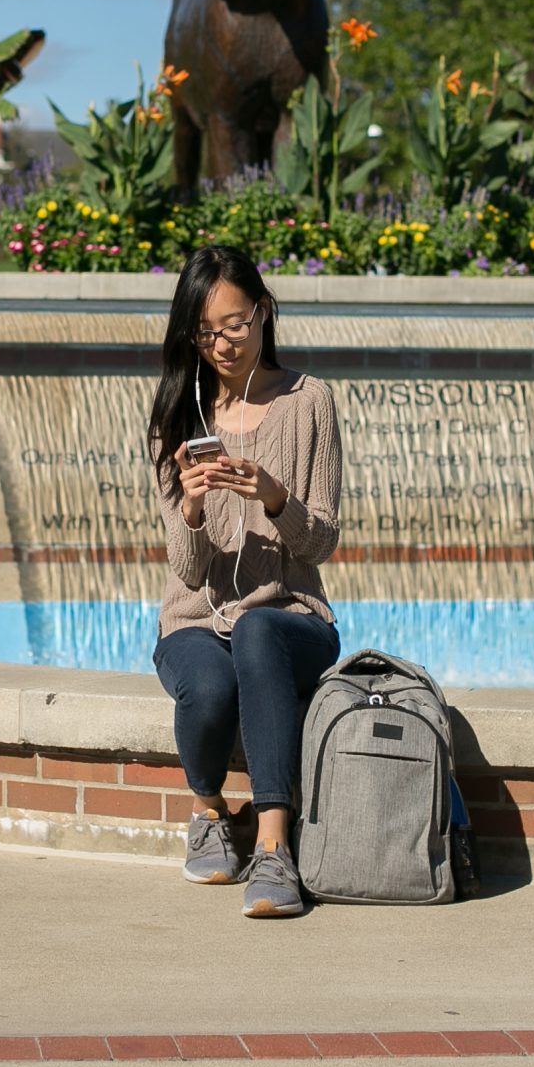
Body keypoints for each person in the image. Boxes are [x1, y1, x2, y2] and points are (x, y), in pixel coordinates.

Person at [150, 245, 344, 920]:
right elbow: (186, 570)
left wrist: (275, 497)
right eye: (205, 332)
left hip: (292, 616)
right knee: (207, 681)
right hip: (198, 619)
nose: (221, 343)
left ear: (263, 311)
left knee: (260, 626)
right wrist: (195, 508)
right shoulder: (179, 415)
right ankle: (207, 812)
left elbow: (321, 540)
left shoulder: (309, 399)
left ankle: (272, 848)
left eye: (233, 323)